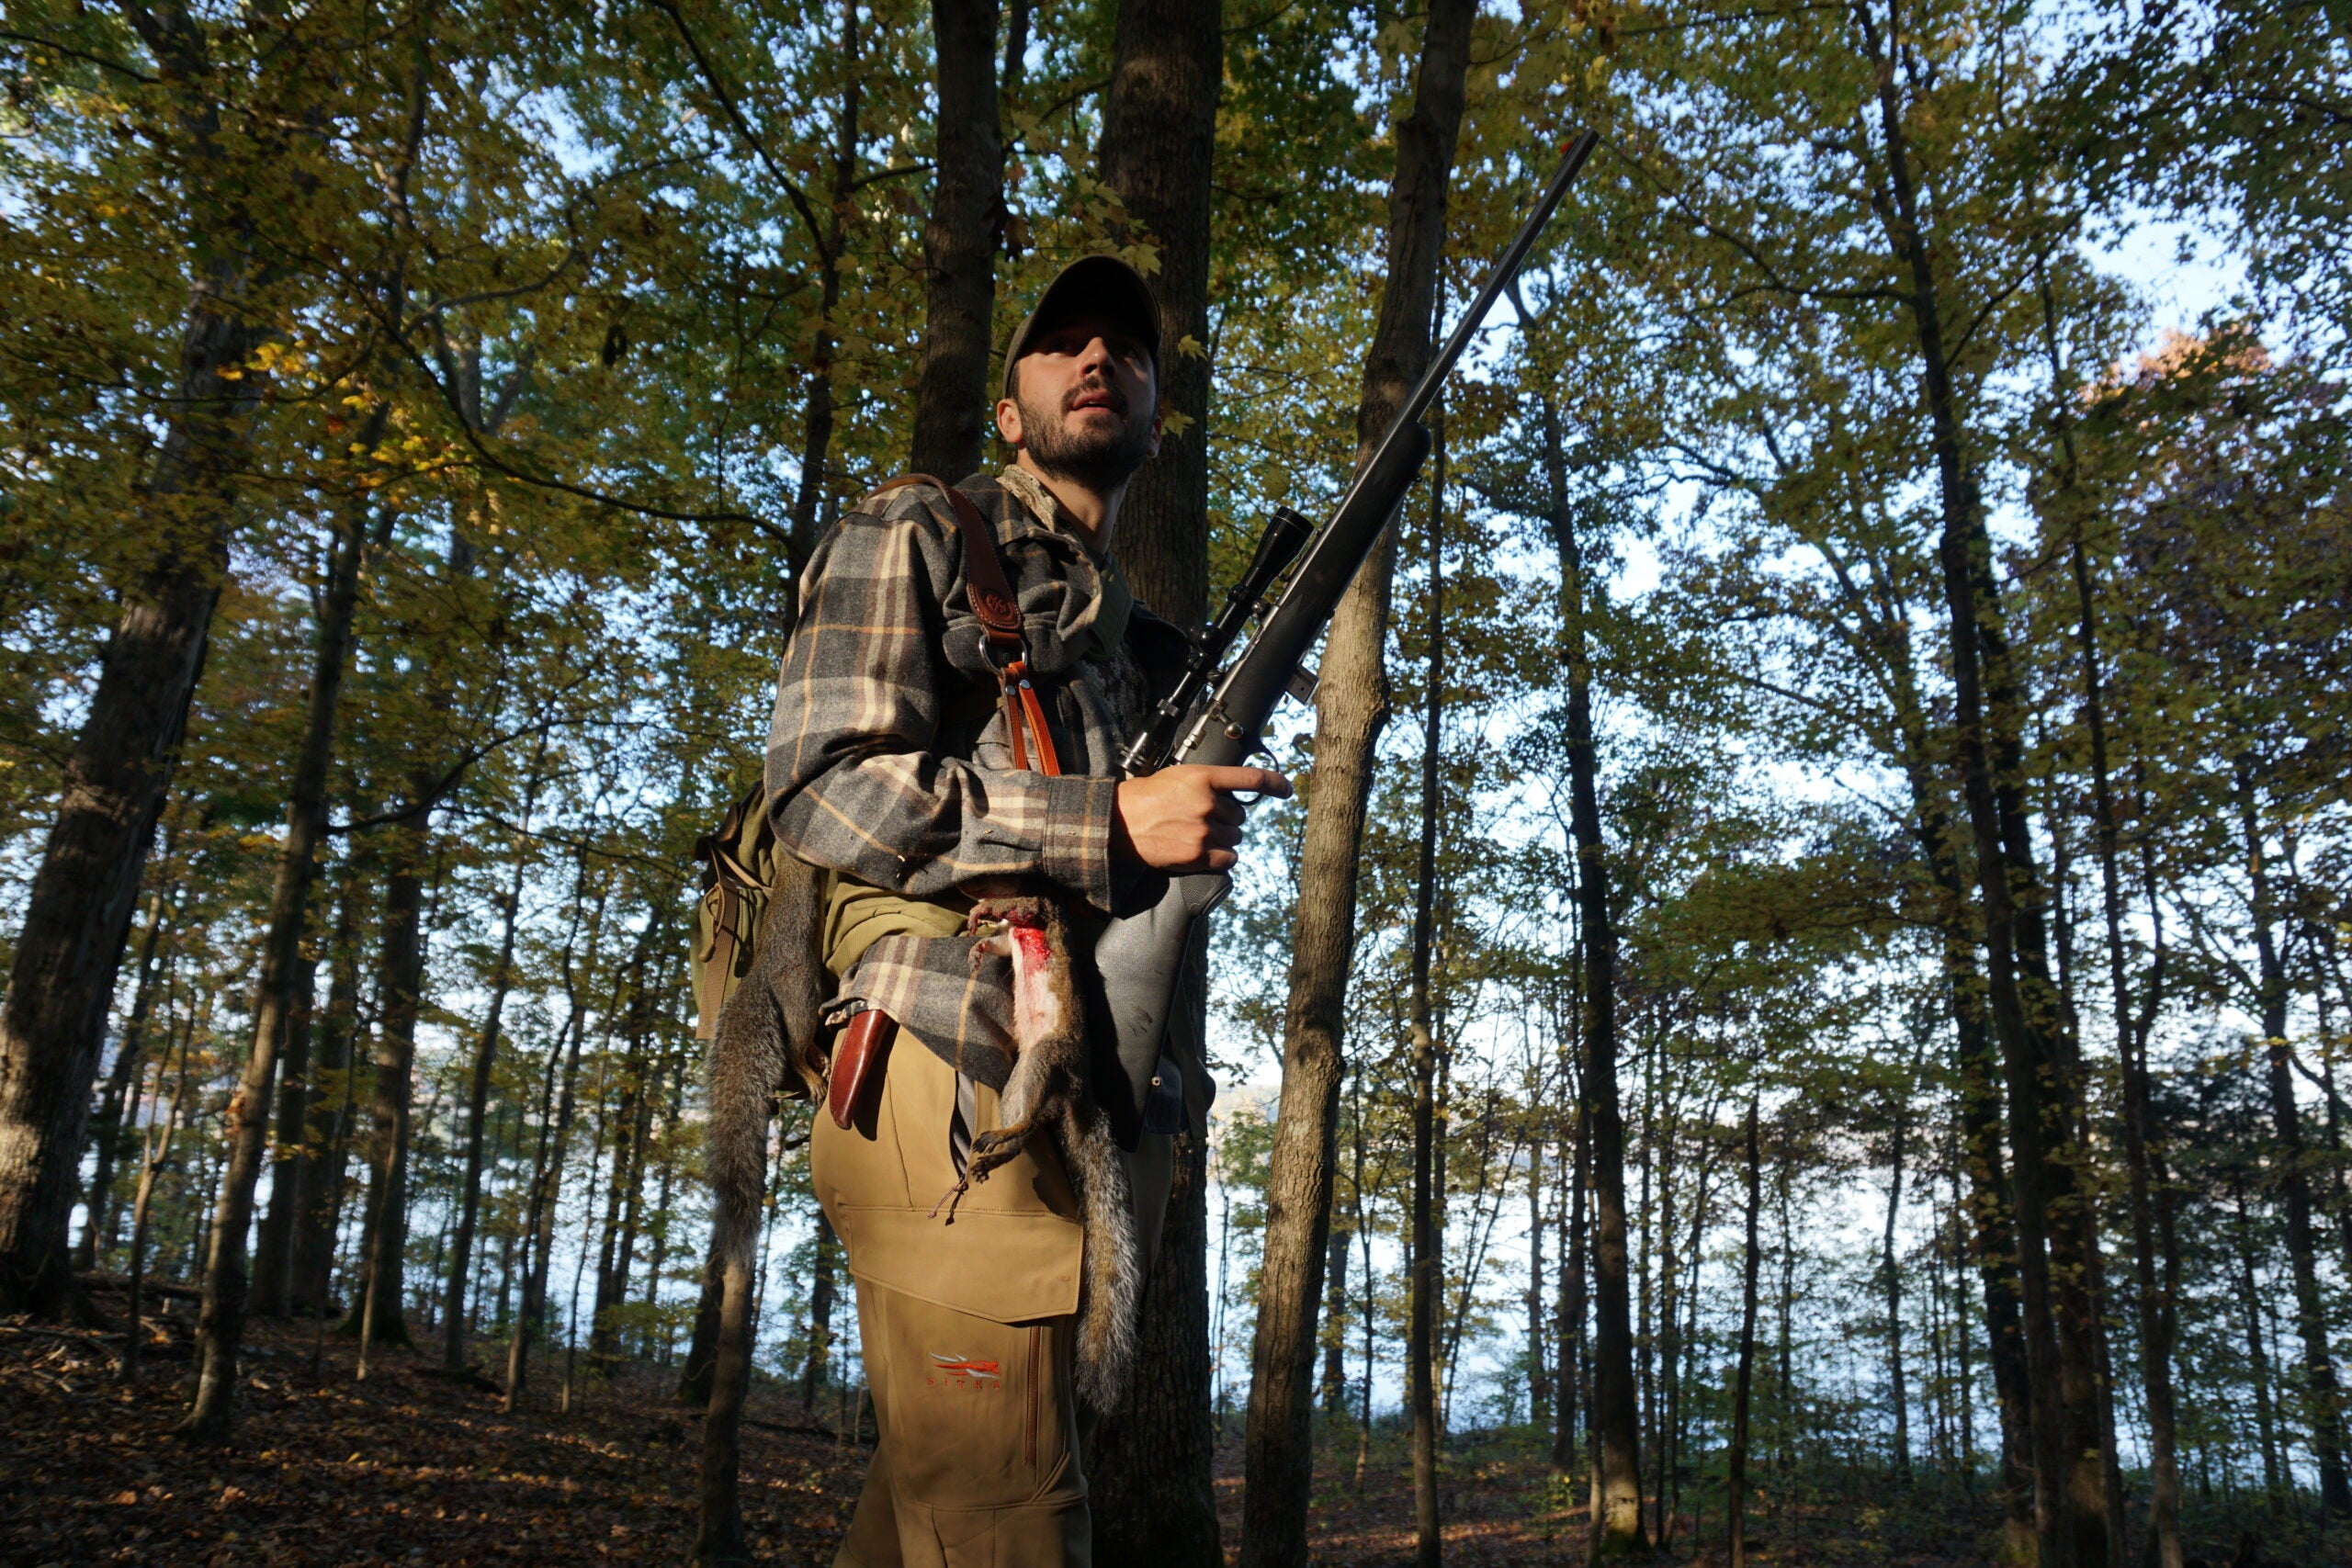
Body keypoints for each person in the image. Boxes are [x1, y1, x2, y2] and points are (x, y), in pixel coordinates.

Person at [763, 254, 1290, 1567]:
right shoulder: (918, 527)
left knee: (942, 1511)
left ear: (1159, 420)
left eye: (1129, 347)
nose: (1100, 357)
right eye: (1063, 343)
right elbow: (822, 783)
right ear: (1010, 411)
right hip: (946, 1072)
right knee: (1010, 1520)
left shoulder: (1136, 643)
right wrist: (1107, 822)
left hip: (1083, 1105)